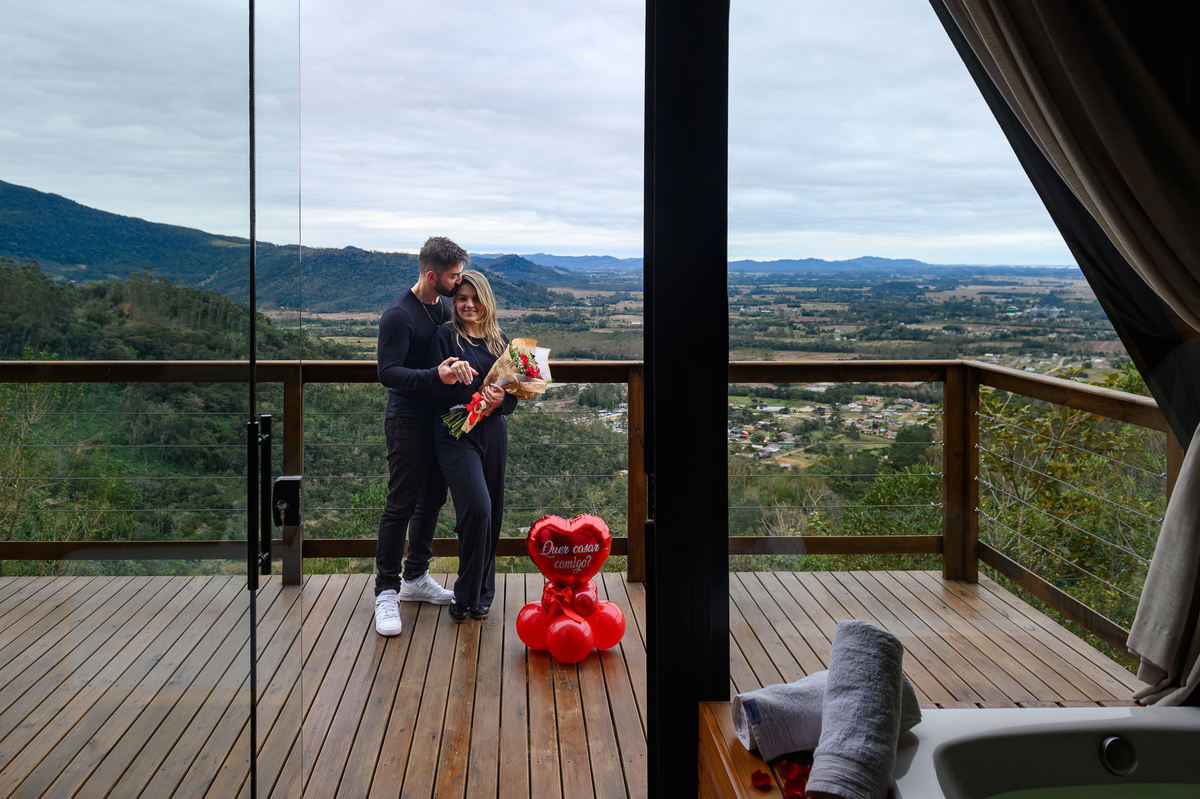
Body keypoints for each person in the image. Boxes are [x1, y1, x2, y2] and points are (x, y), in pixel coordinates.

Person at [373, 236, 478, 637]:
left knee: (433, 499)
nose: (459, 282)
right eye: (453, 276)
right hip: (407, 420)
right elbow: (388, 373)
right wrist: (435, 375)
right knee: (400, 503)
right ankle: (386, 591)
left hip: (440, 420)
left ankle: (415, 576)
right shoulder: (399, 316)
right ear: (432, 275)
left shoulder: (447, 307)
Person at [429, 270, 518, 622]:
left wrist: (500, 402)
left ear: (486, 301)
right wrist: (452, 375)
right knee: (477, 510)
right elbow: (433, 390)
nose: (468, 304)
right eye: (462, 298)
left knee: (491, 515)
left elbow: (515, 396)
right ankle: (465, 593)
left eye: (474, 298)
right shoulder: (444, 339)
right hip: (456, 436)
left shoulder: (501, 342)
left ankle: (483, 593)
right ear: (455, 302)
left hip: (493, 434)